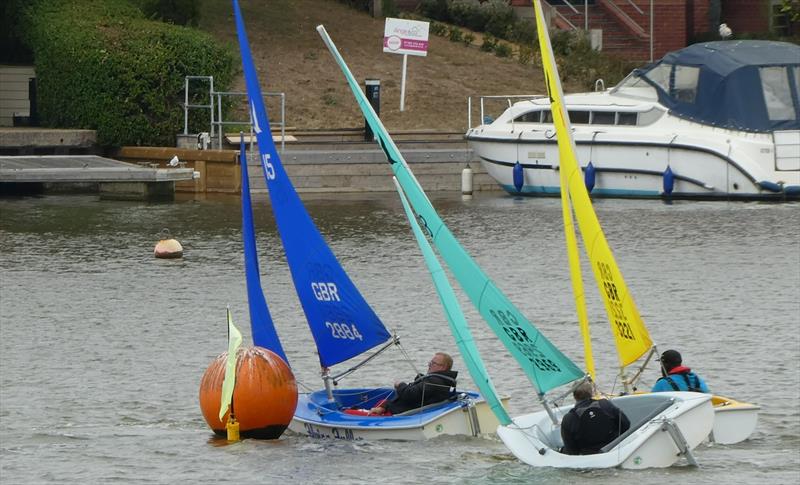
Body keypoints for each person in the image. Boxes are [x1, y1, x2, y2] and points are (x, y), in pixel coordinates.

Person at [367, 352, 458, 416]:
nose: (429, 365)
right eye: (430, 362)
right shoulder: (442, 381)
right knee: (382, 402)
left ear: (443, 367)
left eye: (433, 363)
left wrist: (400, 384)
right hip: (398, 409)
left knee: (354, 412)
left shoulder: (435, 382)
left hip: (398, 414)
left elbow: (409, 394)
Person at [560, 381, 630, 455]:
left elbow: (571, 450)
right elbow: (626, 424)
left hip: (589, 456)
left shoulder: (568, 418)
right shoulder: (605, 404)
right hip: (614, 449)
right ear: (591, 393)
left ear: (574, 396)